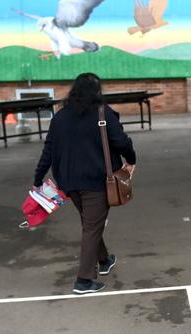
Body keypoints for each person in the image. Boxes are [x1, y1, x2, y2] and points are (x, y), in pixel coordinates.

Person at [33, 73, 136, 294]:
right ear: (97, 91)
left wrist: (37, 178)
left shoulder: (60, 117)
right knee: (91, 226)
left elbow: (48, 150)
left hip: (68, 182)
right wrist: (132, 159)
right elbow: (120, 141)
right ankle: (84, 280)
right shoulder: (102, 113)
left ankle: (105, 260)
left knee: (90, 222)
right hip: (96, 181)